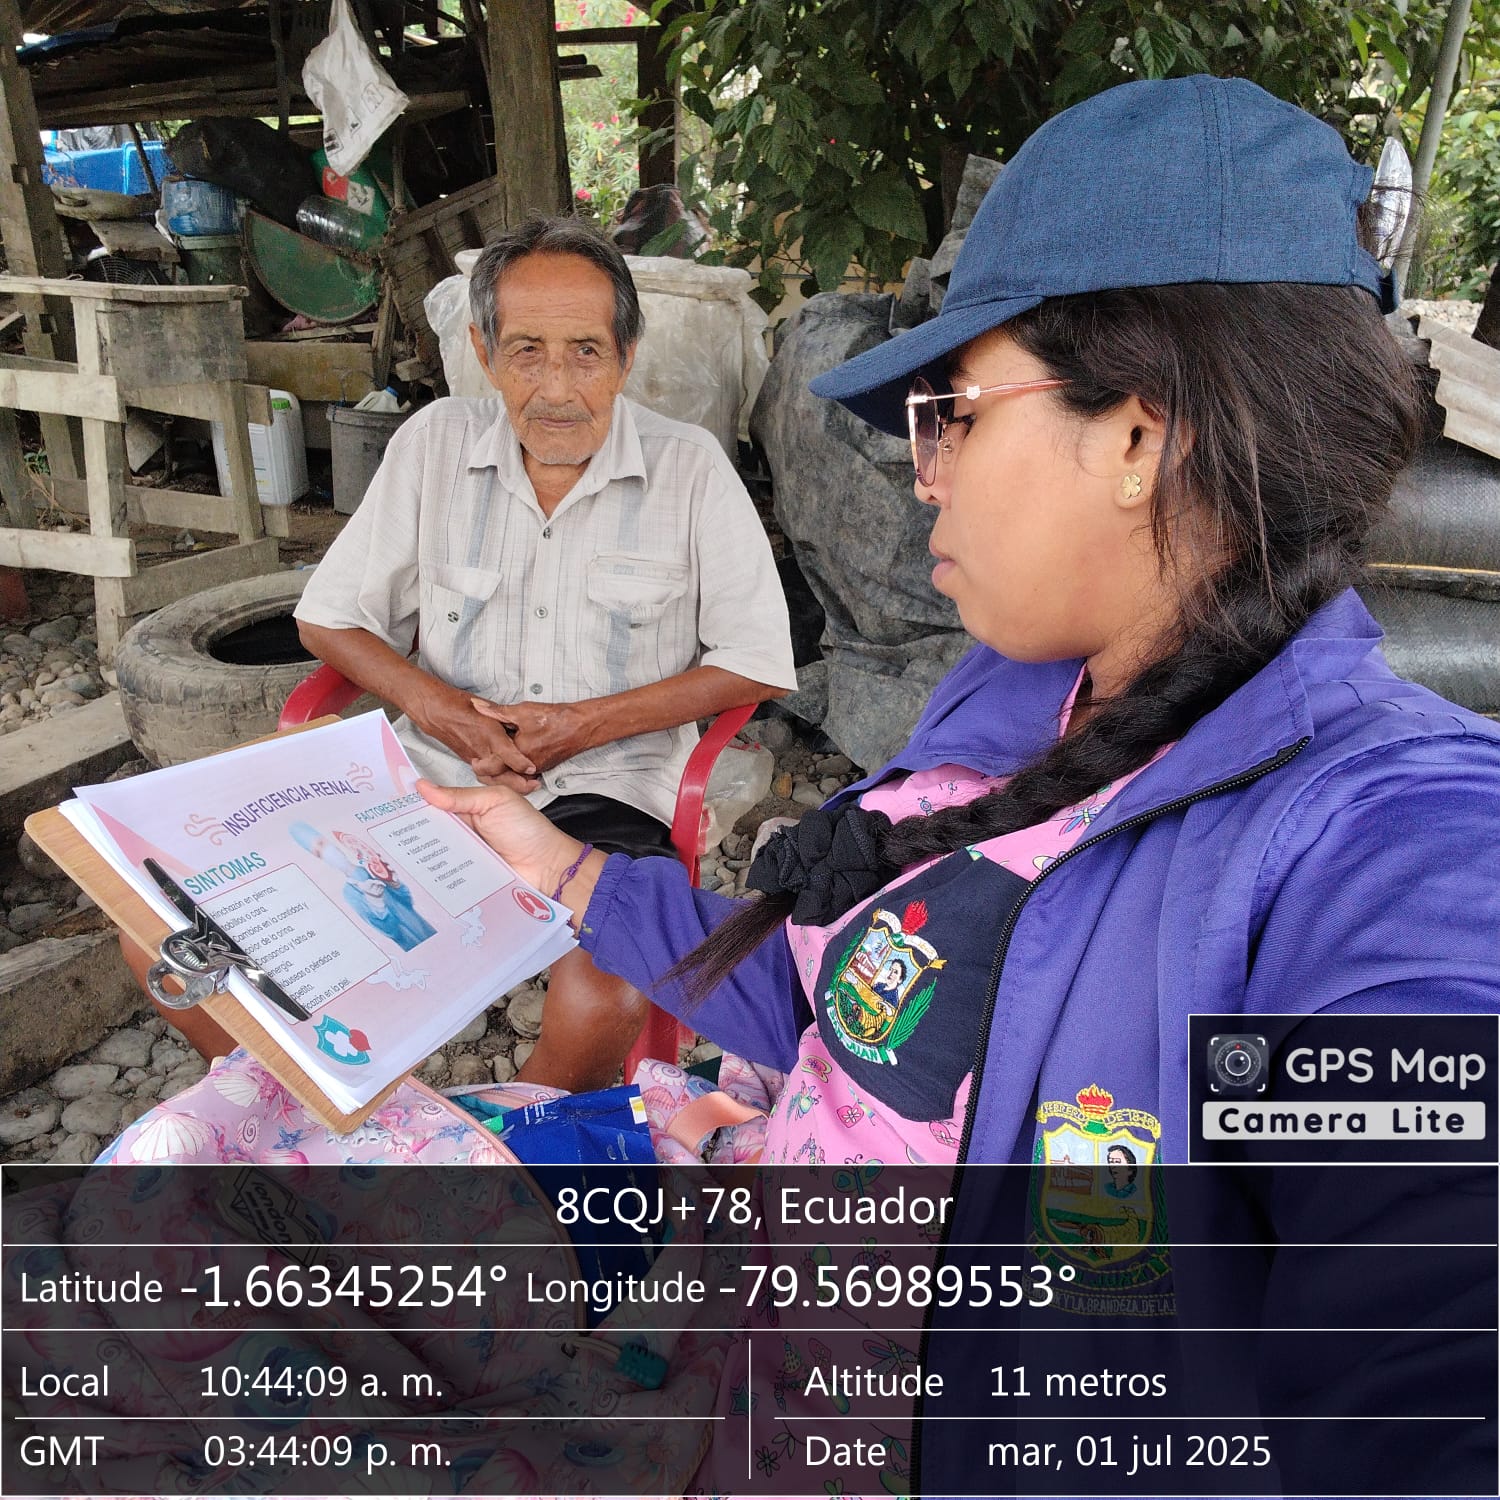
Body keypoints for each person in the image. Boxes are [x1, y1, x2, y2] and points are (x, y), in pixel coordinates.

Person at [417, 76, 1500, 1495]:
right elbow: (855, 1005)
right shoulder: (1013, 691)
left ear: (1138, 436)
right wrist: (561, 870)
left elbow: (1433, 1353)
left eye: (956, 415)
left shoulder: (1390, 843)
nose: (926, 476)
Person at [295, 216, 797, 1089]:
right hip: (437, 775)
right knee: (197, 944)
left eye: (586, 353)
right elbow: (330, 619)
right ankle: (348, 1128)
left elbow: (754, 659)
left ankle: (511, 1152)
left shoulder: (691, 469)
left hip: (610, 786)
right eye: (527, 352)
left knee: (604, 998)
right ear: (484, 353)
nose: (557, 389)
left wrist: (584, 724)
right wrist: (442, 711)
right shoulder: (432, 445)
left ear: (627, 356)